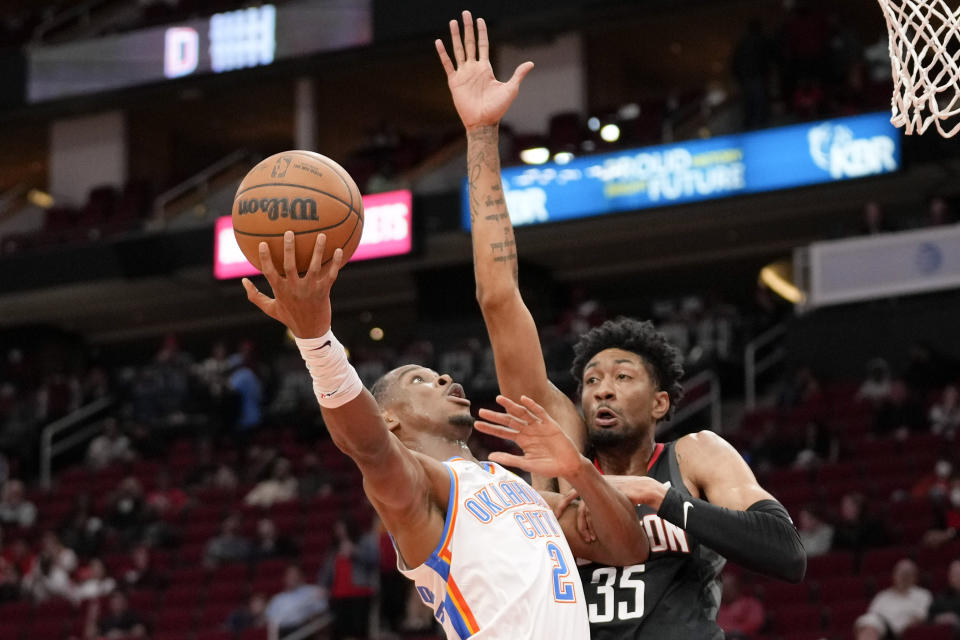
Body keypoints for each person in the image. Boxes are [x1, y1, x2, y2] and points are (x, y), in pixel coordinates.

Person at [440, 10, 805, 639]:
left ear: (661, 400)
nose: (601, 388)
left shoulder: (695, 456)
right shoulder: (561, 450)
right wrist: (481, 135)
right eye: (592, 379)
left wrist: (658, 497)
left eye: (622, 376)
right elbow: (499, 297)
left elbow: (784, 553)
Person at [241, 229, 649, 638]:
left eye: (437, 374)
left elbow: (628, 549)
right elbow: (368, 446)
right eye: (418, 380)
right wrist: (316, 342)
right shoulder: (422, 487)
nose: (443, 379)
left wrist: (579, 470)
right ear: (388, 419)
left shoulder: (521, 491)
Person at [855, 559, 931, 640]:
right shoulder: (882, 595)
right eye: (901, 574)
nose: (904, 577)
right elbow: (871, 617)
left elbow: (920, 617)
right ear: (894, 575)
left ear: (915, 577)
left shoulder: (923, 594)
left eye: (907, 574)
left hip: (901, 631)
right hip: (880, 631)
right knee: (868, 625)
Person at [265, 565, 328, 636]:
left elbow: (321, 610)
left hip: (306, 629)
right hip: (283, 632)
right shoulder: (277, 599)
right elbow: (271, 622)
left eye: (295, 574)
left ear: (301, 576)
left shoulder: (312, 591)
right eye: (289, 575)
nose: (292, 577)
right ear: (284, 578)